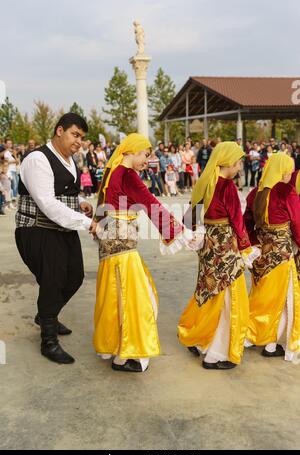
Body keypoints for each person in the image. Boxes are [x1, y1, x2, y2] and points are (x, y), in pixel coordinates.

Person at [92, 133, 186, 373]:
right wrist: (178, 230)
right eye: (145, 154)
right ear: (131, 151)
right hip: (122, 244)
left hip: (110, 244)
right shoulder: (128, 175)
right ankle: (128, 352)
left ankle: (117, 350)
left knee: (115, 295)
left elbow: (102, 205)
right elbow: (149, 201)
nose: (148, 159)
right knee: (135, 297)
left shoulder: (112, 171)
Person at [15, 113, 95, 365]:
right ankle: (48, 340)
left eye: (82, 138)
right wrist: (87, 223)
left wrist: (80, 203)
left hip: (62, 229)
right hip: (37, 229)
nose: (78, 142)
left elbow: (65, 192)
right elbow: (47, 202)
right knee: (53, 279)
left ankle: (46, 315)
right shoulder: (37, 159)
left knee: (75, 276)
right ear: (59, 131)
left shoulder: (69, 159)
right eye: (75, 135)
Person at [178, 142, 252, 370]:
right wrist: (247, 247)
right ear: (228, 161)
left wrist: (198, 233)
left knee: (208, 290)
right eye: (238, 162)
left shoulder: (204, 183)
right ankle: (216, 352)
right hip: (227, 248)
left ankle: (196, 336)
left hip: (209, 247)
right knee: (231, 299)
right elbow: (237, 223)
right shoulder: (227, 187)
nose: (240, 167)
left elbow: (188, 218)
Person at [244, 154, 300, 361]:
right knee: (283, 301)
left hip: (261, 254)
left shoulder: (255, 193)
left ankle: (266, 341)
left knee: (262, 298)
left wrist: (253, 244)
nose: (291, 173)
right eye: (289, 169)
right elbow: (297, 226)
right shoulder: (286, 192)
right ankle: (254, 337)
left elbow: (246, 222)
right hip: (282, 254)